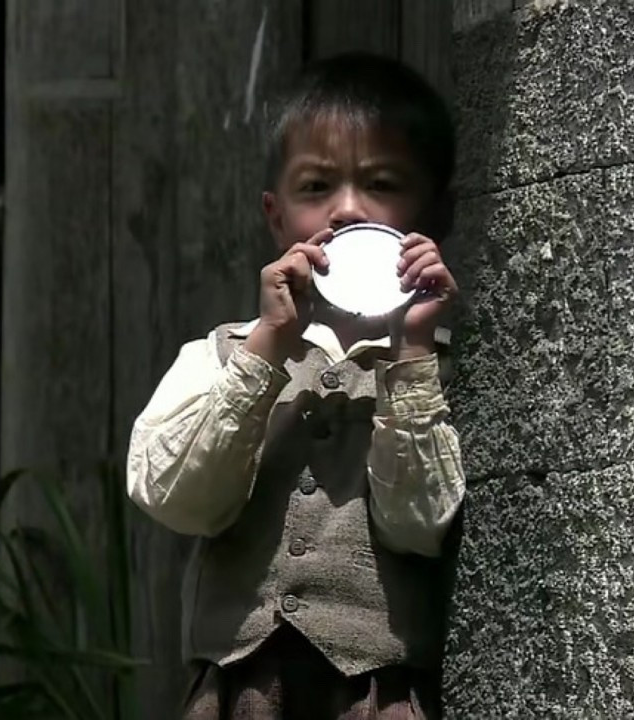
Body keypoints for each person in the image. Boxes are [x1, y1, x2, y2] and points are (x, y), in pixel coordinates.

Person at [126, 52, 466, 720]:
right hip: (238, 695)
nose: (347, 210)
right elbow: (177, 500)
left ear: (437, 215)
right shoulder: (222, 355)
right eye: (316, 187)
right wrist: (269, 346)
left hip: (377, 696)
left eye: (381, 183)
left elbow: (420, 527)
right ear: (275, 216)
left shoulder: (443, 369)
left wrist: (412, 352)